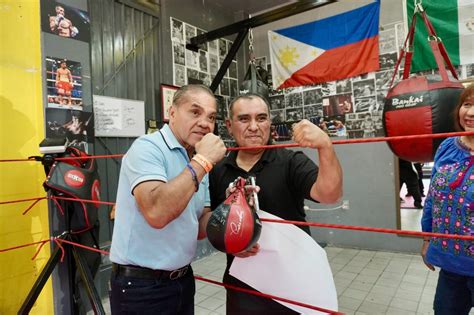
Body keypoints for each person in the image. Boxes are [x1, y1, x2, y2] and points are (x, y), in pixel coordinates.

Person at [209, 93, 343, 314]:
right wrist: (231, 244)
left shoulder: (290, 161)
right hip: (244, 287)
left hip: (291, 285)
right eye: (244, 119)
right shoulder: (218, 170)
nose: (254, 126)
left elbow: (330, 195)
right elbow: (211, 224)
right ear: (229, 125)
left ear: (270, 123)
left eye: (261, 118)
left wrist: (325, 147)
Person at [109, 85, 227, 314]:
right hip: (141, 285)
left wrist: (234, 206)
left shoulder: (196, 159)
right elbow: (157, 213)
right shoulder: (147, 148)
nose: (205, 123)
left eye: (211, 117)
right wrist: (203, 162)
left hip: (182, 280)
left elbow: (200, 225)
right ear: (172, 113)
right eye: (195, 112)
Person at [421, 84, 474, 315]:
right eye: (467, 104)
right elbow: (433, 197)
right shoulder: (447, 146)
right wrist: (427, 238)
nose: (470, 113)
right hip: (451, 262)